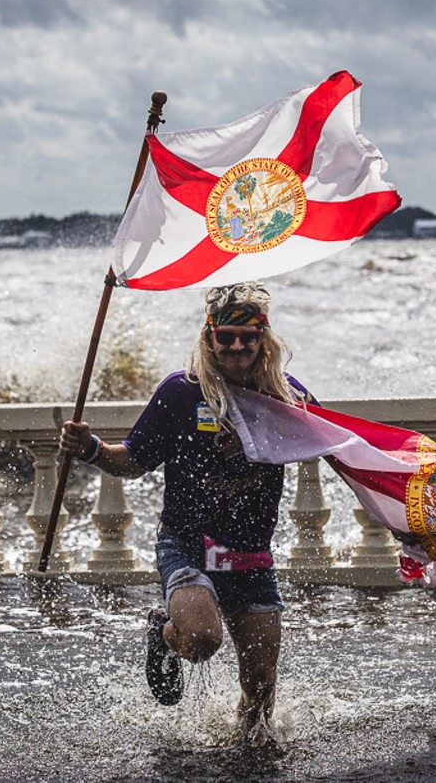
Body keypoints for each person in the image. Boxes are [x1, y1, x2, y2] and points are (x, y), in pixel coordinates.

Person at [59, 281, 312, 738]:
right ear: (209, 337)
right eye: (226, 336)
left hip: (251, 555)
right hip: (187, 544)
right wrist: (91, 449)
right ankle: (164, 631)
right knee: (200, 640)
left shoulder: (288, 397)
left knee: (261, 693)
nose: (237, 347)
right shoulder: (180, 393)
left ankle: (244, 759)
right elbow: (133, 460)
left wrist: (397, 498)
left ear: (264, 340)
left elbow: (339, 446)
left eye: (248, 337)